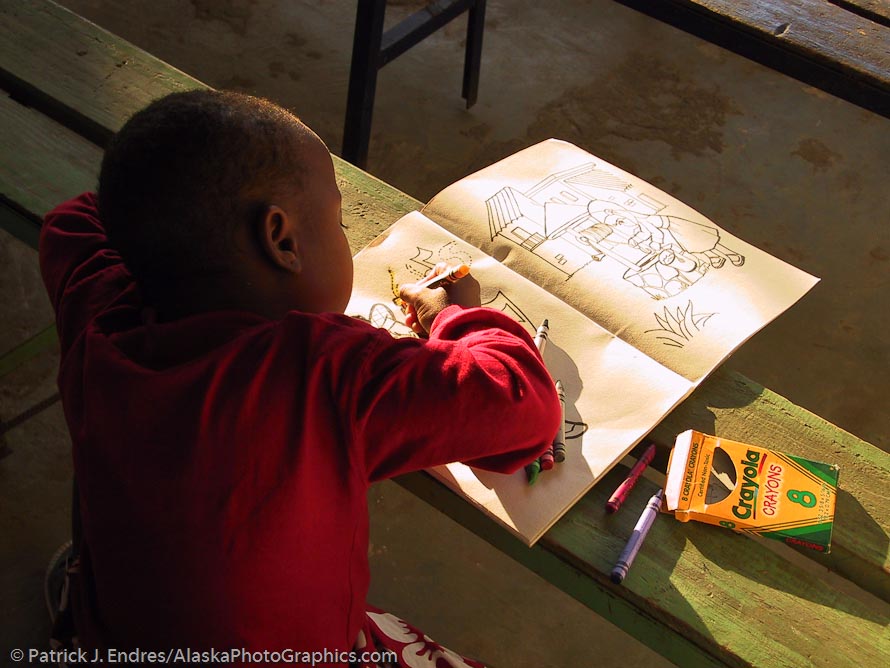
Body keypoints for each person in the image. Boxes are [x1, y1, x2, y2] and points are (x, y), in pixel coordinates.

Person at [39, 90, 561, 667]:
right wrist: (448, 316)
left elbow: (71, 219)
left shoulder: (98, 310)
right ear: (281, 240)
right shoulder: (323, 373)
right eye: (338, 220)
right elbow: (525, 406)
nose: (344, 232)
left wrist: (163, 226)